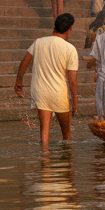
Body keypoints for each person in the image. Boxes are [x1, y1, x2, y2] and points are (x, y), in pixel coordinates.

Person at [16, 13, 79, 148]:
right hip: (58, 94)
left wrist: (19, 82)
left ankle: (45, 162)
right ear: (69, 31)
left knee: (44, 132)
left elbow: (24, 62)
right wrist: (75, 103)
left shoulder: (39, 42)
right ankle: (67, 164)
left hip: (40, 92)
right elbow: (72, 81)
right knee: (66, 132)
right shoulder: (70, 49)